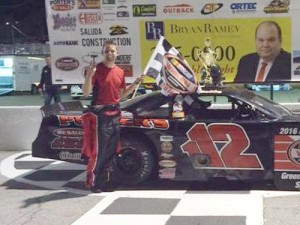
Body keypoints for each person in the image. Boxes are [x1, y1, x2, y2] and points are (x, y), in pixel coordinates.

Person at [82, 40, 144, 193]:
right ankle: (93, 182)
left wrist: (135, 84)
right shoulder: (97, 70)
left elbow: (121, 95)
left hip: (115, 114)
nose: (110, 53)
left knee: (111, 151)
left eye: (113, 51)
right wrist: (89, 76)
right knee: (100, 151)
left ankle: (105, 181)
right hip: (100, 116)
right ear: (103, 53)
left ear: (117, 53)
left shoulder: (120, 72)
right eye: (107, 51)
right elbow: (85, 92)